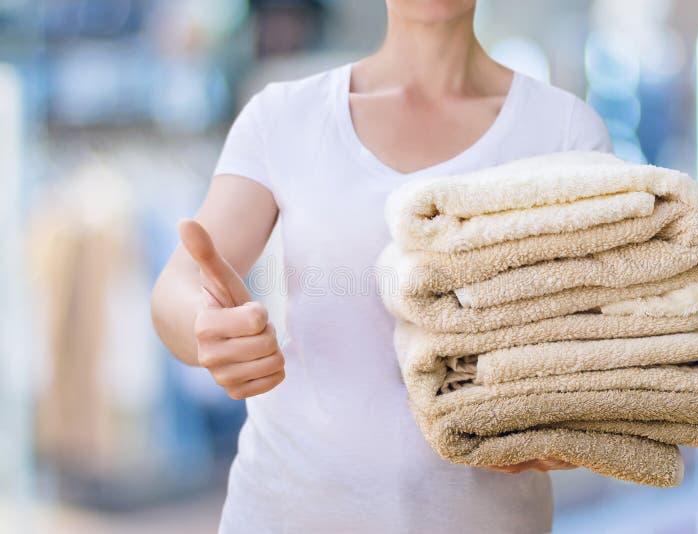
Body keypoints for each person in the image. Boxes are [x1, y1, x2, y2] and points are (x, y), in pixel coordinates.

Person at [151, 1, 613, 532]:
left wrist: (577, 419)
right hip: (288, 510)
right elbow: (179, 284)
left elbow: (605, 340)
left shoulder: (564, 130)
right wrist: (208, 328)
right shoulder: (284, 116)